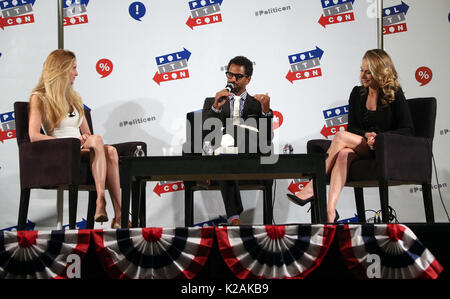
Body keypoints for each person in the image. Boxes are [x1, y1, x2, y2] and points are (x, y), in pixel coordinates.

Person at [286, 49, 414, 223]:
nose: (363, 75)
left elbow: (408, 129)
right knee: (344, 153)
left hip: (384, 149)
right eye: (361, 70)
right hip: (363, 146)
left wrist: (379, 137)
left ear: (381, 71)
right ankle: (330, 211)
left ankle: (312, 187)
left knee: (340, 136)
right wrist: (366, 135)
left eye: (368, 71)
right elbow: (352, 128)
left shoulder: (394, 94)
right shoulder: (357, 93)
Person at [28, 49, 125, 229]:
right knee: (101, 145)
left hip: (81, 147)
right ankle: (107, 204)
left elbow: (88, 133)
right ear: (61, 69)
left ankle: (113, 212)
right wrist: (69, 143)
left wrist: (85, 137)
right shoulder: (39, 97)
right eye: (73, 68)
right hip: (61, 149)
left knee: (109, 149)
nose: (77, 73)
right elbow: (34, 136)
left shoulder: (75, 98)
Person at [202, 56, 273, 225]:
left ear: (248, 79)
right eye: (229, 75)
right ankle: (234, 217)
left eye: (238, 76)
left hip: (249, 155)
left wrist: (265, 112)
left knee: (237, 134)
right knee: (223, 155)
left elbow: (267, 137)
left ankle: (234, 216)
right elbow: (205, 133)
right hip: (224, 155)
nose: (232, 80)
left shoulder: (258, 104)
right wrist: (215, 108)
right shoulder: (213, 101)